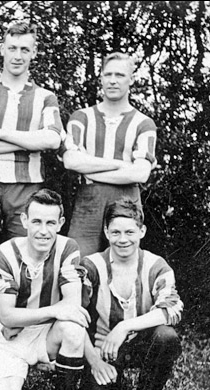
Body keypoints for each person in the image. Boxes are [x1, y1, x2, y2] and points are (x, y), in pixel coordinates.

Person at [0, 22, 63, 367]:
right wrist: (22, 140)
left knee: (29, 266)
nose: (17, 55)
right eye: (12, 48)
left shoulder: (45, 96)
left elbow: (51, 140)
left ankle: (24, 338)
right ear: (2, 49)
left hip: (28, 188)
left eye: (25, 49)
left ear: (34, 53)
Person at [0, 188, 91, 390]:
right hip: (10, 337)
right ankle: (16, 377)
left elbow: (72, 307)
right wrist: (56, 309)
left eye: (51, 223)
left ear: (61, 223)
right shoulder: (4, 253)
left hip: (47, 334)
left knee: (73, 328)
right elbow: (7, 317)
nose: (43, 231)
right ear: (24, 221)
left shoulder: (68, 247)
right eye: (36, 222)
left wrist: (61, 312)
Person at [80, 198, 182, 390]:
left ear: (142, 231)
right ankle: (111, 384)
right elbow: (73, 317)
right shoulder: (91, 266)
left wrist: (124, 326)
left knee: (166, 336)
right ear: (106, 232)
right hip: (101, 349)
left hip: (139, 343)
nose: (122, 239)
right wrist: (95, 361)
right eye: (115, 232)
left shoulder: (156, 265)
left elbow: (172, 309)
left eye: (129, 232)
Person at [63, 52, 157, 258]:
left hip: (127, 200)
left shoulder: (143, 123)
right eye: (108, 74)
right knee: (77, 263)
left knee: (124, 263)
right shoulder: (82, 117)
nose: (113, 81)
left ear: (131, 79)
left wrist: (90, 169)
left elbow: (140, 174)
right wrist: (121, 165)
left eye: (120, 75)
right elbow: (70, 161)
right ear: (101, 77)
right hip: (88, 201)